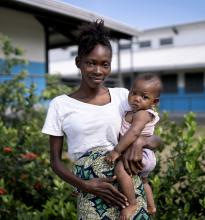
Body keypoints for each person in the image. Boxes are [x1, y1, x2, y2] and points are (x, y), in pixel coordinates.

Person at [42, 19, 161, 220]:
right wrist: (84, 185)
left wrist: (140, 143)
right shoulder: (60, 105)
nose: (98, 71)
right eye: (91, 63)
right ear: (78, 62)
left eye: (104, 64)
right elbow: (55, 161)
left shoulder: (124, 97)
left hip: (128, 187)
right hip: (91, 190)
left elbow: (156, 139)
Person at [105, 75, 162, 219]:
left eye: (144, 97)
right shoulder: (131, 112)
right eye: (134, 93)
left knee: (119, 168)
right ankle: (151, 206)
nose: (136, 98)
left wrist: (117, 150)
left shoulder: (143, 114)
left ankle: (131, 204)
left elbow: (134, 132)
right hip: (144, 155)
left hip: (142, 154)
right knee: (144, 181)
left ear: (154, 102)